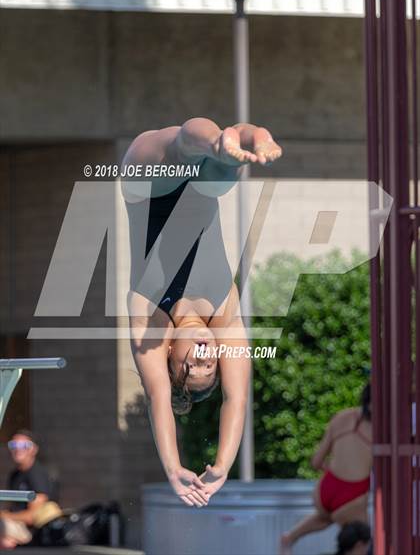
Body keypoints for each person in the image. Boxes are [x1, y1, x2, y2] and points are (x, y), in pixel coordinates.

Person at [121, 118, 282, 508]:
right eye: (209, 368)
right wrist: (223, 465)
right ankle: (248, 141)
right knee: (220, 177)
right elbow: (236, 399)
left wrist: (174, 467)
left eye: (190, 368)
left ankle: (217, 142)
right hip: (200, 186)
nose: (204, 359)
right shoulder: (225, 318)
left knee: (181, 149)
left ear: (169, 356)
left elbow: (160, 398)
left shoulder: (151, 318)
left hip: (146, 188)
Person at [280, 384, 372, 555]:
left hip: (326, 487)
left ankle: (290, 537)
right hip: (352, 494)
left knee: (326, 517)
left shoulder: (341, 417)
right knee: (363, 544)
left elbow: (315, 462)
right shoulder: (382, 428)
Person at [0, 429, 56, 549]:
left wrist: (4, 516)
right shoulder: (15, 475)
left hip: (33, 533)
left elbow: (32, 517)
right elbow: (14, 507)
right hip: (17, 526)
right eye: (13, 444)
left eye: (24, 445)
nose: (18, 449)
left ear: (34, 449)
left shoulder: (37, 475)